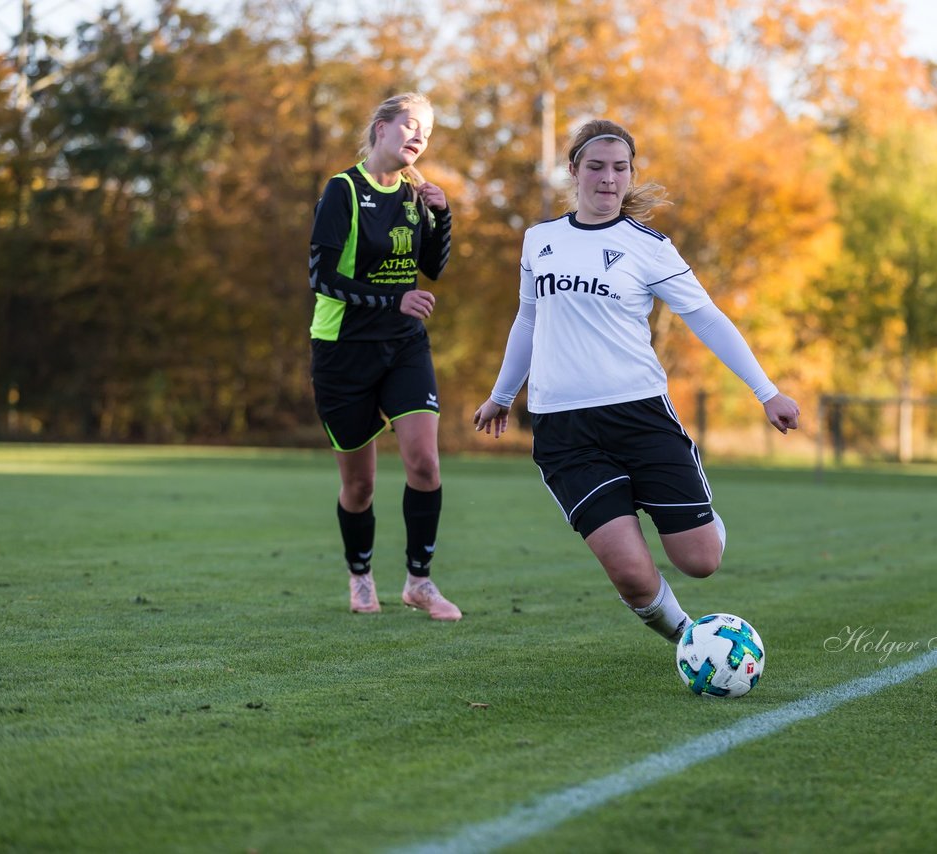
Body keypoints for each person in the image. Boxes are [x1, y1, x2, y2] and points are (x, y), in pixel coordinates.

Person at [472, 119, 800, 643]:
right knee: (630, 574)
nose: (608, 178)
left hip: (639, 415)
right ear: (574, 170)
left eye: (619, 168)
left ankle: (697, 515)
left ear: (630, 175)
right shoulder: (540, 241)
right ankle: (693, 644)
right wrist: (501, 395)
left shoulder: (648, 246)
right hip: (564, 431)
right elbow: (529, 320)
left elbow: (707, 318)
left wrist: (766, 391)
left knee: (700, 561)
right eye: (596, 167)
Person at [307, 92, 461, 620]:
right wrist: (392, 299)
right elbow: (321, 277)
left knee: (424, 462)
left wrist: (443, 216)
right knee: (360, 483)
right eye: (410, 125)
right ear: (380, 128)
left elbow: (433, 269)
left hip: (403, 346)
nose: (418, 137)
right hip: (342, 352)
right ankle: (360, 575)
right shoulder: (342, 191)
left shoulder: (418, 195)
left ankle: (419, 581)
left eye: (427, 131)